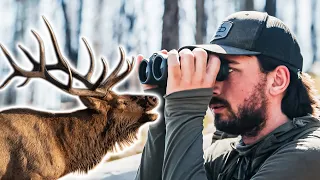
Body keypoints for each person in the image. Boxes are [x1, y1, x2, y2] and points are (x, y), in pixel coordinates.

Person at [134, 11, 320, 180]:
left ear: (277, 80)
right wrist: (163, 110)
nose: (212, 86)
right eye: (211, 70)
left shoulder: (308, 155)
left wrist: (185, 107)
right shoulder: (226, 154)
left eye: (225, 70)